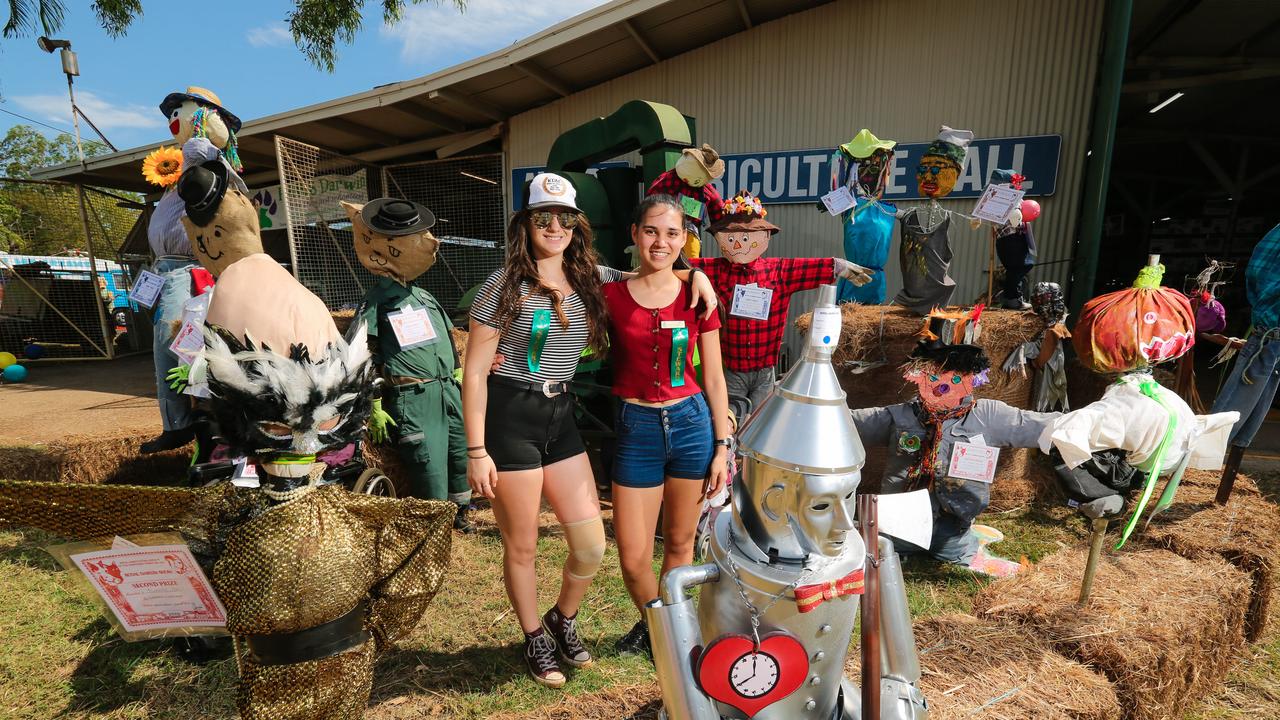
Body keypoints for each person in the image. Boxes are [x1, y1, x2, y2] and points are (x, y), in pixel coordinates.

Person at [463, 173, 717, 687]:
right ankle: (534, 636)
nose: (554, 227)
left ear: (577, 225)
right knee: (523, 544)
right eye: (542, 218)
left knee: (590, 546)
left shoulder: (592, 278)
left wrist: (696, 274)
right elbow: (473, 372)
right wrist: (475, 450)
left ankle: (564, 617)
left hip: (562, 418)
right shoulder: (499, 287)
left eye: (564, 218)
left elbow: (655, 272)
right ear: (526, 225)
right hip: (510, 418)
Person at [603, 194, 731, 656]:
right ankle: (658, 622)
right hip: (636, 428)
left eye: (672, 233)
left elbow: (714, 376)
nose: (661, 241)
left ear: (685, 239)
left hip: (692, 423)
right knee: (633, 555)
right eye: (652, 231)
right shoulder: (610, 296)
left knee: (679, 542)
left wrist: (723, 444)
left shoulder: (699, 294)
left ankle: (669, 633)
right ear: (635, 234)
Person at [342, 198, 472, 531]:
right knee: (428, 464)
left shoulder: (425, 296)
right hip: (413, 397)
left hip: (448, 392)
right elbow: (361, 351)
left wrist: (458, 374)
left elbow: (448, 335)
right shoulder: (377, 300)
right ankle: (434, 522)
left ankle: (460, 512)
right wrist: (372, 402)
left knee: (458, 453)